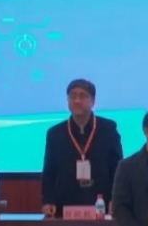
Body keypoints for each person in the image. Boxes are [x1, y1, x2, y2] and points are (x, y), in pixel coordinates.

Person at [42, 79, 124, 218]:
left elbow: (117, 168)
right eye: (72, 96)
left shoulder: (108, 129)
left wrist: (115, 198)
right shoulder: (55, 133)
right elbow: (49, 170)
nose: (77, 100)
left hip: (101, 202)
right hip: (65, 203)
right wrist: (48, 201)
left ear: (93, 101)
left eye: (83, 96)